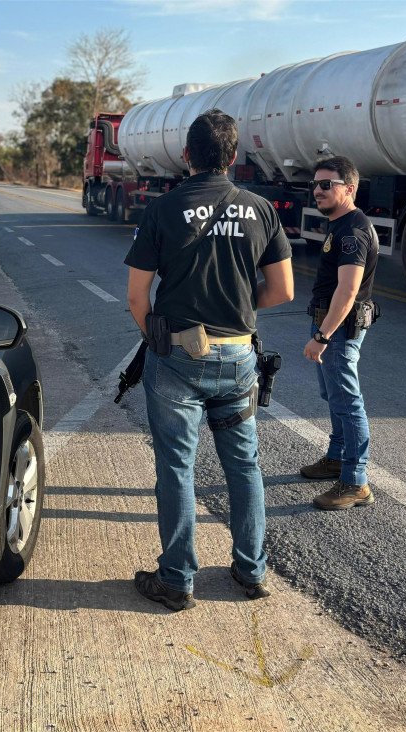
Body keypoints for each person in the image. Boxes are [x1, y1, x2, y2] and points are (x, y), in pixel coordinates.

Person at [125, 109, 294, 611]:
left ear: (185, 156)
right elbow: (283, 289)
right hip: (239, 355)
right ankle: (252, 571)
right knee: (244, 465)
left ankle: (177, 580)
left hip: (177, 356)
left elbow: (138, 297)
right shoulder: (261, 209)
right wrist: (241, 309)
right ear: (234, 157)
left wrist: (156, 337)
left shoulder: (163, 208)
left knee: (177, 467)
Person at [300, 156, 379, 511]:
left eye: (326, 184)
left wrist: (323, 336)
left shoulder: (353, 231)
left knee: (348, 403)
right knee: (333, 395)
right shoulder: (340, 223)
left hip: (339, 329)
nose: (317, 190)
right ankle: (336, 458)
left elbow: (348, 290)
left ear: (349, 188)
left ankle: (355, 482)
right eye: (315, 184)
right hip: (330, 325)